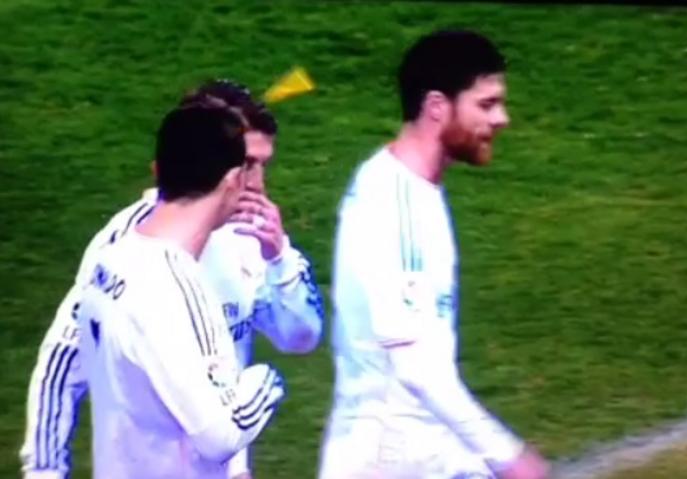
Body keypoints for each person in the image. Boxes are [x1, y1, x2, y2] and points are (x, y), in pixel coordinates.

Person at [20, 81, 323, 479]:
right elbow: (62, 361)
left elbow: (300, 337)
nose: (257, 184)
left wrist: (279, 259)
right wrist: (44, 471)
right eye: (247, 164)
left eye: (264, 166)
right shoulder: (128, 246)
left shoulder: (253, 235)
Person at [319, 30, 550, 479]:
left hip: (425, 445)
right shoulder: (393, 200)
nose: (502, 119)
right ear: (437, 107)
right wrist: (506, 454)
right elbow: (415, 367)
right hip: (388, 458)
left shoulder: (416, 190)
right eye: (486, 104)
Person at [76, 100, 284, 479]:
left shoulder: (110, 262)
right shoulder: (179, 287)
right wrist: (268, 380)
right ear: (232, 181)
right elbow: (221, 434)